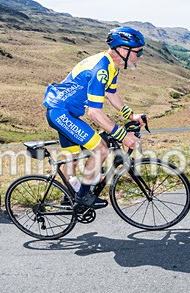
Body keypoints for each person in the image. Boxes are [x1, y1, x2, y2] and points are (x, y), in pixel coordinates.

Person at [43, 26, 147, 208]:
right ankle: (83, 196)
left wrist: (131, 115)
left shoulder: (111, 66)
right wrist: (123, 136)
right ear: (123, 50)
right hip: (60, 113)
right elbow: (94, 113)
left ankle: (68, 197)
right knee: (101, 149)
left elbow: (111, 94)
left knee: (72, 158)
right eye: (138, 52)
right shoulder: (100, 70)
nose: (141, 56)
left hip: (67, 112)